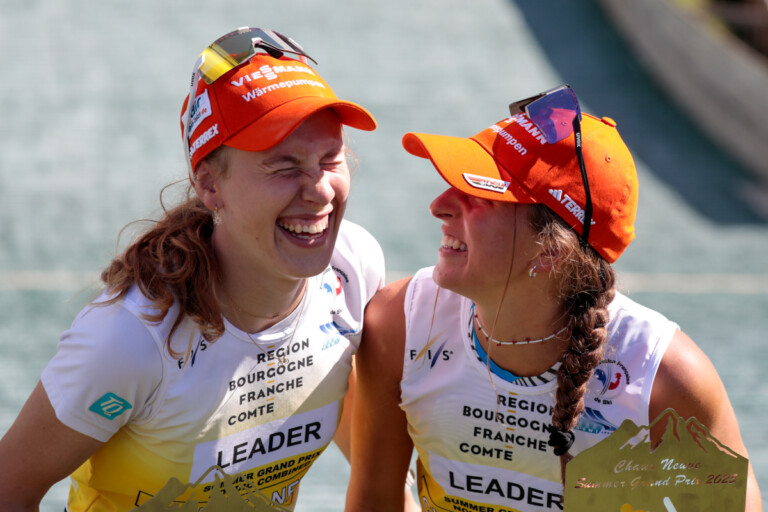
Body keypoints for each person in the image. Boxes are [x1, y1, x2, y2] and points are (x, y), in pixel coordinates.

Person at [0, 27, 384, 511]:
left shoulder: (354, 267)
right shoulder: (128, 341)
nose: (321, 191)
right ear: (209, 185)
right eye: (284, 167)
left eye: (331, 158)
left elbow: (336, 394)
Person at [345, 85, 763, 511]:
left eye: (479, 194)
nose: (439, 205)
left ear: (551, 251)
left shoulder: (667, 379)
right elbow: (375, 501)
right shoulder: (400, 323)